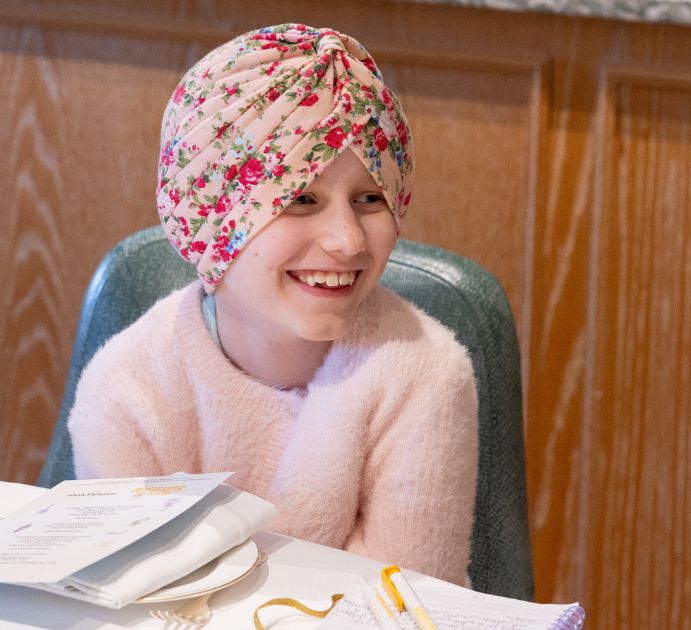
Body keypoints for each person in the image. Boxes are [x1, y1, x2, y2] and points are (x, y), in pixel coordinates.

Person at [68, 23, 478, 585]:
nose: (348, 240)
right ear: (212, 222)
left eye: (370, 198)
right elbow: (125, 604)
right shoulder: (126, 390)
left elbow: (408, 607)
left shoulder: (425, 374)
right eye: (300, 198)